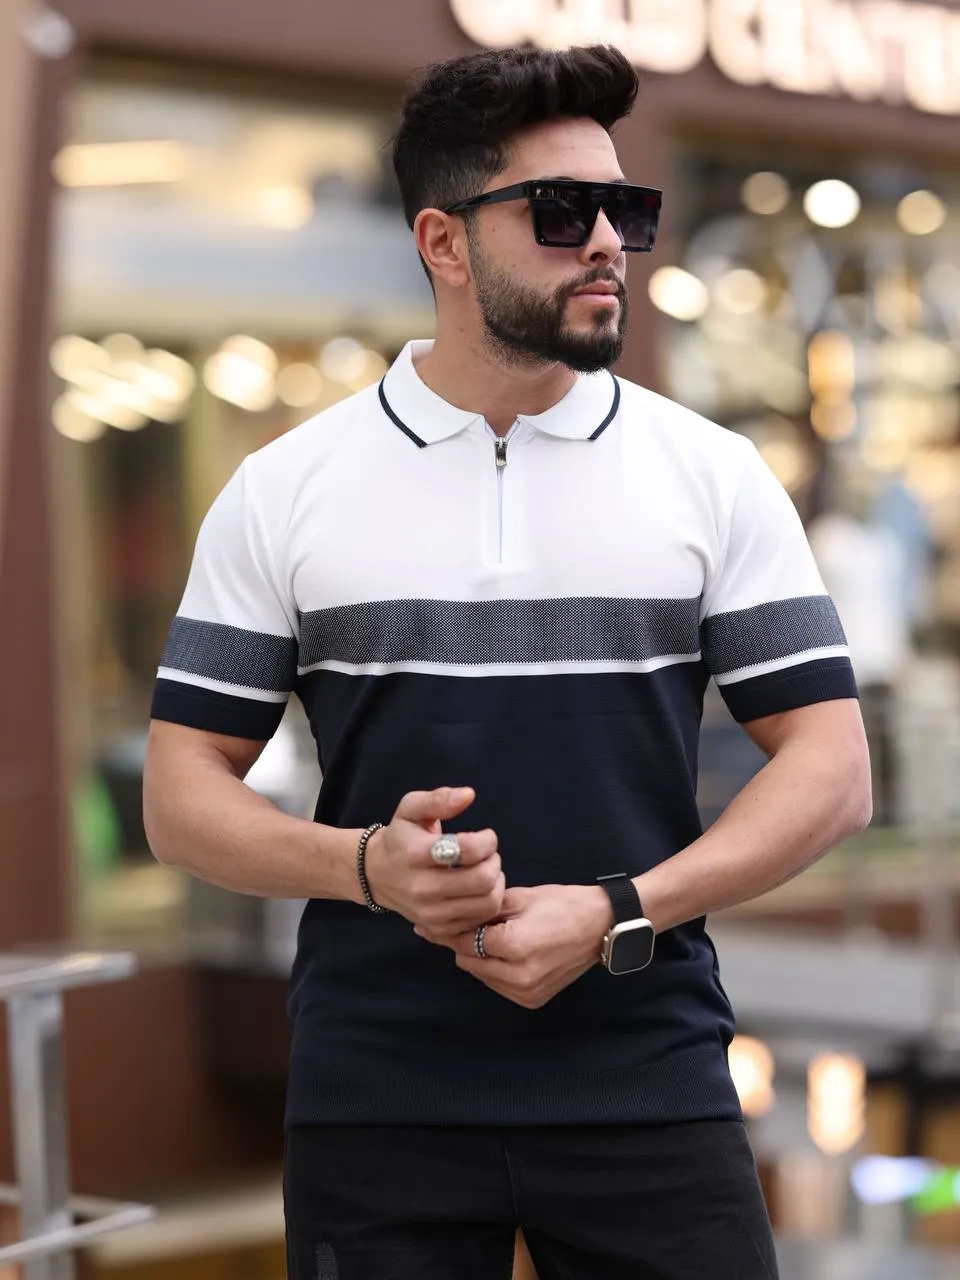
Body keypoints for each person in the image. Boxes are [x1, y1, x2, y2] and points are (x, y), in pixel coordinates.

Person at [143, 45, 872, 1280]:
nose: (609, 242)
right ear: (442, 240)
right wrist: (366, 866)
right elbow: (179, 793)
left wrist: (618, 908)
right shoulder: (285, 490)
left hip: (648, 1076)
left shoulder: (711, 473)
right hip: (377, 1094)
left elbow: (835, 770)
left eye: (625, 209)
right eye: (562, 210)